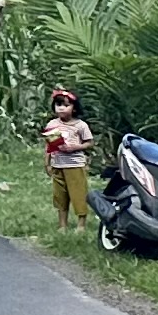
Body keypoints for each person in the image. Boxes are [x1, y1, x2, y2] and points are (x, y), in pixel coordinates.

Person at [43, 86, 96, 226]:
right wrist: (47, 162)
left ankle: (81, 224)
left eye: (66, 105)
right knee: (60, 196)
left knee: (78, 194)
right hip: (58, 164)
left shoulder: (81, 125)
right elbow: (49, 145)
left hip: (75, 164)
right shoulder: (52, 124)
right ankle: (62, 224)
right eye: (58, 105)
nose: (61, 108)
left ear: (74, 108)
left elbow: (89, 142)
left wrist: (75, 147)